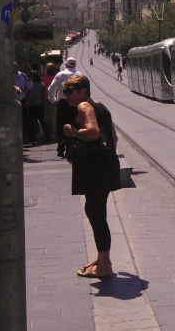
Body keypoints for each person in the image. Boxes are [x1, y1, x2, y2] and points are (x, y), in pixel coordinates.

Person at [61, 74, 120, 278]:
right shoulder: (100, 106)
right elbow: (114, 138)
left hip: (94, 170)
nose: (66, 95)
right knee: (97, 212)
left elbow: (93, 133)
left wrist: (73, 132)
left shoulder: (84, 107)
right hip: (106, 166)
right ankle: (103, 259)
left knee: (95, 214)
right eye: (65, 91)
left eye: (70, 91)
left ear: (83, 91)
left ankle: (104, 266)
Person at [48, 58, 81, 157]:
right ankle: (71, 147)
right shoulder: (79, 74)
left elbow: (51, 88)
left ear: (66, 64)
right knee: (74, 124)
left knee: (61, 126)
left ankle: (61, 149)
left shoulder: (60, 74)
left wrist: (53, 100)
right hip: (75, 103)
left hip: (62, 103)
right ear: (75, 65)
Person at [27, 72, 49, 144]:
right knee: (42, 121)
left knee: (33, 121)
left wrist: (28, 105)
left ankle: (35, 137)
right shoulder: (41, 84)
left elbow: (29, 97)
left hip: (32, 106)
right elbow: (44, 96)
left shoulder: (31, 85)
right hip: (40, 105)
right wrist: (44, 105)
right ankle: (48, 135)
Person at [14, 62, 33, 143]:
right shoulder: (7, 77)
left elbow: (29, 87)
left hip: (22, 99)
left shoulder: (23, 76)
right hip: (13, 100)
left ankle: (32, 138)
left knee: (25, 119)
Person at [41, 63, 57, 142]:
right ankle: (53, 135)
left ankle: (45, 135)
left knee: (45, 118)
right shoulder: (55, 78)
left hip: (43, 101)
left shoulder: (42, 78)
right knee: (53, 118)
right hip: (53, 101)